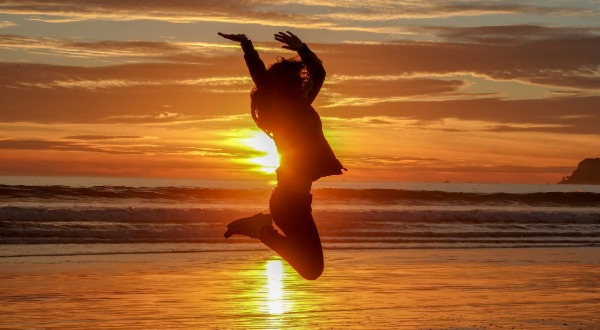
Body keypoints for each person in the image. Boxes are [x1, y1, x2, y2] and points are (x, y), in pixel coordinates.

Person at [219, 31, 346, 280]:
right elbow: (261, 78)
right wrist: (247, 46)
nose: (302, 81)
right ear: (283, 86)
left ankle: (260, 229)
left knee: (312, 269)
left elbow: (319, 74)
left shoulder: (303, 103)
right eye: (296, 79)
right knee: (312, 270)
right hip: (288, 203)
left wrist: (303, 48)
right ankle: (261, 230)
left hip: (295, 201)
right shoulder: (279, 109)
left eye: (300, 77)